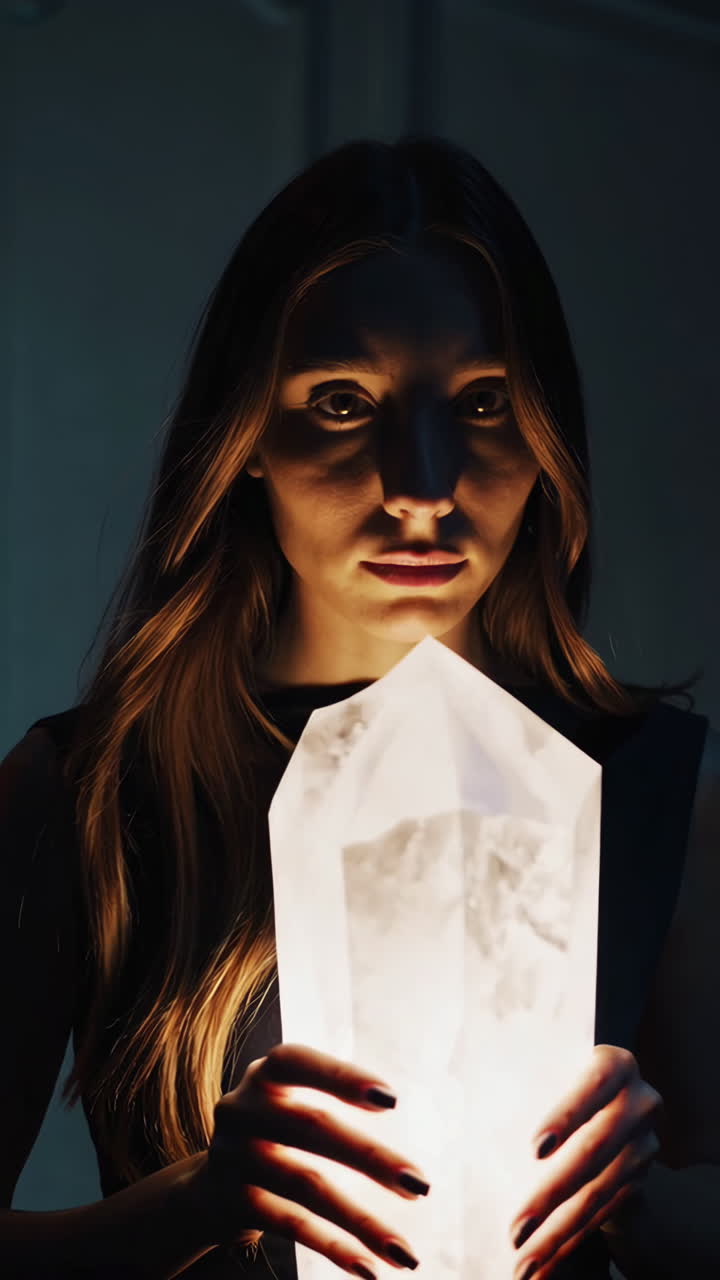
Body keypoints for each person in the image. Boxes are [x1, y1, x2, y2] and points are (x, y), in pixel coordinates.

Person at [1, 135, 717, 1280]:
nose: (422, 486)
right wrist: (198, 1199)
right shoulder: (93, 796)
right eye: (343, 402)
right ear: (241, 441)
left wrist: (648, 1204)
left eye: (483, 401)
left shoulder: (644, 791)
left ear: (547, 439)